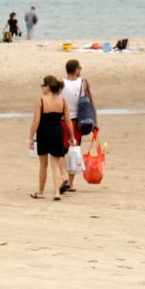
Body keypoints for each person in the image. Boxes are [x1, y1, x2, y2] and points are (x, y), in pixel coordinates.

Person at [28, 76, 74, 200]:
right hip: (57, 133)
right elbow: (68, 121)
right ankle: (57, 193)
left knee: (43, 165)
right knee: (55, 164)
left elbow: (36, 121)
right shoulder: (63, 101)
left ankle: (41, 192)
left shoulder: (40, 101)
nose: (42, 88)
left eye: (43, 85)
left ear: (48, 86)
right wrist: (71, 137)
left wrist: (31, 137)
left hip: (43, 133)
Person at [61, 59, 98, 190]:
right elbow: (92, 102)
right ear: (76, 69)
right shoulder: (83, 83)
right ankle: (70, 182)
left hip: (61, 121)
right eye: (80, 68)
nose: (80, 70)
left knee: (61, 152)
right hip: (77, 122)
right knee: (74, 151)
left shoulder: (61, 84)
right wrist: (95, 121)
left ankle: (63, 178)